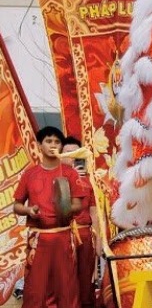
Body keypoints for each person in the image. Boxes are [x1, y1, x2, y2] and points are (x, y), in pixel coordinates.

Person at [13, 126, 86, 308]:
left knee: (67, 286)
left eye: (57, 141)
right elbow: (17, 205)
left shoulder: (70, 173)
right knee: (35, 287)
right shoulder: (29, 174)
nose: (53, 145)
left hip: (63, 237)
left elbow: (79, 204)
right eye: (48, 141)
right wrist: (29, 211)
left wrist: (64, 208)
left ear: (61, 146)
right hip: (38, 239)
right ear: (39, 145)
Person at [61, 136, 100, 308]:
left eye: (75, 152)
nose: (71, 156)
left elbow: (95, 213)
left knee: (86, 281)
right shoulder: (51, 178)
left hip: (84, 235)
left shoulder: (89, 181)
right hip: (62, 235)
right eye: (67, 153)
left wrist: (99, 242)